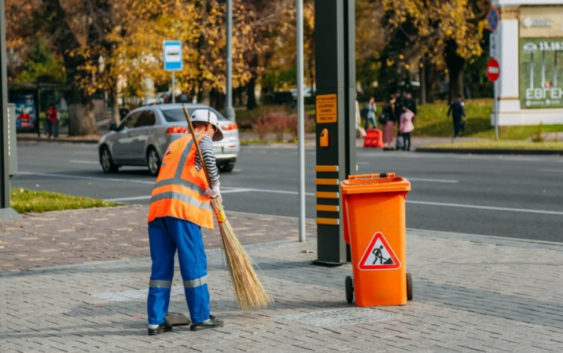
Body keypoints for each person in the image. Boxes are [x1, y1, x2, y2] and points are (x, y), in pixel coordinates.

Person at [146, 109, 224, 335]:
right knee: (194, 263)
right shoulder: (202, 139)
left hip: (158, 212)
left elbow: (191, 168)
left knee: (161, 267)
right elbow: (208, 157)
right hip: (182, 211)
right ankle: (200, 317)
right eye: (213, 131)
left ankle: (155, 321)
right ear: (208, 127)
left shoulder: (177, 143)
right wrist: (215, 186)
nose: (212, 135)